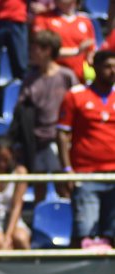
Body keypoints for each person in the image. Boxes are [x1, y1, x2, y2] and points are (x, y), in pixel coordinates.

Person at [57, 50, 115, 250]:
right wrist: (67, 170)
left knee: (112, 233)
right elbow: (63, 135)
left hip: (114, 174)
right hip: (86, 174)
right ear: (95, 68)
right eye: (108, 66)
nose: (113, 71)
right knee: (84, 232)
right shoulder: (76, 96)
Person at [11, 30, 77, 203]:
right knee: (39, 187)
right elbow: (20, 109)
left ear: (47, 50)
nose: (31, 53)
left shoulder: (66, 76)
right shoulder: (29, 79)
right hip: (36, 141)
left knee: (63, 186)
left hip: (60, 142)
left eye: (35, 49)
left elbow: (77, 105)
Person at [31, 0, 96, 83]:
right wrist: (76, 51)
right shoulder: (43, 18)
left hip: (80, 80)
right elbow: (42, 51)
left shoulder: (86, 22)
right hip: (52, 80)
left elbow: (90, 52)